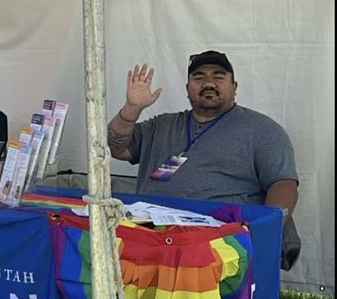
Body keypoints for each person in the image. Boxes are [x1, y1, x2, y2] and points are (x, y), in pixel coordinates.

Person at [107, 51, 299, 215]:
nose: (208, 83)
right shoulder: (160, 125)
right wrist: (132, 108)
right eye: (199, 77)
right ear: (187, 89)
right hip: (150, 233)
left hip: (220, 243)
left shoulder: (263, 130)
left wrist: (266, 229)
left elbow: (283, 185)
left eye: (218, 76)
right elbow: (117, 149)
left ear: (234, 87)